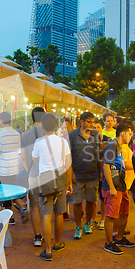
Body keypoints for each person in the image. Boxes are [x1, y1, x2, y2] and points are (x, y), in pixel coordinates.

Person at [32, 113, 72, 261]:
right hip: (61, 180)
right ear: (55, 126)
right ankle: (57, 243)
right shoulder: (63, 142)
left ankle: (48, 251)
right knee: (59, 214)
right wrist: (69, 183)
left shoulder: (39, 142)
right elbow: (68, 164)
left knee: (46, 216)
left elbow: (34, 159)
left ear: (42, 127)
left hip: (45, 181)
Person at [68, 112, 102, 239]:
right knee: (77, 202)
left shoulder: (96, 135)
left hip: (93, 174)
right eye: (89, 121)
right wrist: (71, 174)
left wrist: (101, 172)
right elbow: (69, 156)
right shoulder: (72, 135)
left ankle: (87, 223)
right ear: (81, 122)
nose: (91, 124)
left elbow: (99, 155)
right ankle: (78, 226)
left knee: (91, 201)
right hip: (77, 175)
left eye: (93, 122)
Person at [102, 122, 134, 255]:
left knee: (124, 212)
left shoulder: (120, 146)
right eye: (130, 134)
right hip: (112, 187)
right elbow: (106, 166)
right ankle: (109, 243)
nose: (131, 137)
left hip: (121, 185)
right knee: (110, 215)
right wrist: (112, 187)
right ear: (123, 133)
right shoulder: (112, 145)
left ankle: (119, 238)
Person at [0, 111, 27, 224]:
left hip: (3, 167)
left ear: (1, 121)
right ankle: (21, 207)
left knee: (5, 192)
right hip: (14, 166)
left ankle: (10, 216)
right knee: (12, 190)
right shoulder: (16, 134)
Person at [20, 107, 45, 246]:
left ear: (32, 118)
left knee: (34, 206)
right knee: (47, 205)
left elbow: (23, 157)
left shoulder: (25, 136)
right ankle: (47, 232)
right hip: (46, 174)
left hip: (32, 175)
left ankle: (37, 236)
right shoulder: (48, 134)